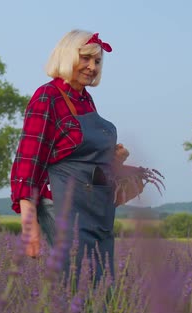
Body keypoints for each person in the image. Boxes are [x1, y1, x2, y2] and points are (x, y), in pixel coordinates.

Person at [10, 29, 144, 284]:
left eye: (97, 61)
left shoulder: (85, 100)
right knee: (78, 282)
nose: (92, 67)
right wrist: (30, 227)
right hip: (61, 206)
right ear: (67, 56)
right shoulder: (47, 97)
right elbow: (29, 162)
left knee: (101, 282)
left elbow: (84, 162)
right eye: (85, 58)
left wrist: (117, 160)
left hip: (94, 207)